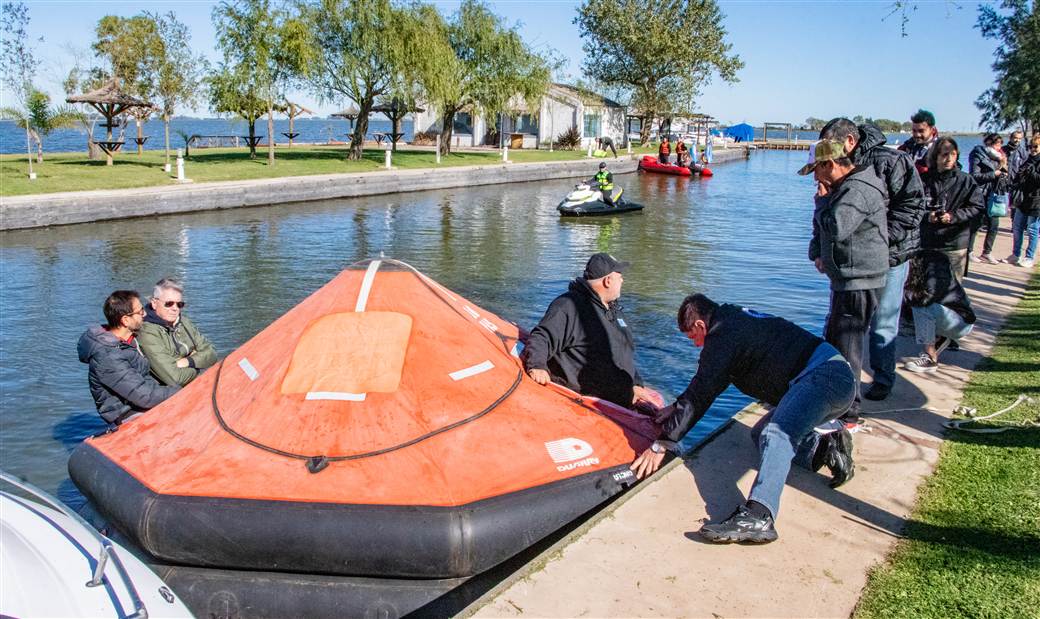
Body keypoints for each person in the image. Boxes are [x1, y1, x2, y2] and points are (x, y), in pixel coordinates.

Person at [630, 294, 856, 544]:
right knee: (760, 435)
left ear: (700, 326)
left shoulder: (723, 336)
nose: (695, 345)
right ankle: (826, 448)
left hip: (826, 379)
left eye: (692, 337)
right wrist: (675, 406)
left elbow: (701, 395)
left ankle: (759, 516)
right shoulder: (732, 322)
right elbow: (706, 383)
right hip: (830, 379)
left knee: (777, 434)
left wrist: (663, 442)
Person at [818, 118, 924, 403]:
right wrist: (819, 251)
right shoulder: (836, 168)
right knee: (840, 325)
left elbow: (914, 204)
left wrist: (883, 239)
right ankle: (829, 383)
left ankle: (881, 378)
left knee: (883, 322)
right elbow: (829, 215)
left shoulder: (891, 160)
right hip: (853, 261)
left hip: (889, 254)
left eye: (830, 142)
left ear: (849, 141)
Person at [801, 139, 889, 423]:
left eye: (817, 169)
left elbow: (837, 226)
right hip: (848, 278)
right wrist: (818, 252)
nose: (815, 177)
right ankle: (835, 402)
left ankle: (848, 414)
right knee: (836, 341)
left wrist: (823, 202)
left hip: (859, 280)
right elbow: (826, 229)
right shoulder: (844, 189)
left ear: (830, 164)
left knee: (847, 347)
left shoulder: (856, 191)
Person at [524, 253, 658, 411]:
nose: (622, 280)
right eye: (619, 275)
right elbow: (542, 337)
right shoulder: (570, 306)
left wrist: (636, 384)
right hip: (581, 405)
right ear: (608, 281)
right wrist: (537, 365)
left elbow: (624, 355)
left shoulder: (615, 311)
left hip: (621, 405)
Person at [78, 290, 180, 426]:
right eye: (140, 311)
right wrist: (181, 391)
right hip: (127, 413)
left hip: (141, 402)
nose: (144, 314)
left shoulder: (129, 340)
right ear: (126, 320)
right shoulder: (108, 357)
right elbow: (145, 397)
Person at [920, 137, 985, 283]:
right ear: (935, 156)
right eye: (944, 154)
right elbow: (911, 207)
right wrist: (927, 216)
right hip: (928, 242)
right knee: (925, 290)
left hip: (954, 243)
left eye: (953, 154)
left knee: (953, 291)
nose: (949, 159)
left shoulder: (965, 180)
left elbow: (977, 207)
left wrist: (954, 216)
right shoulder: (923, 180)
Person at [902, 250, 976, 374]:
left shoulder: (934, 266)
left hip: (960, 323)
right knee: (916, 305)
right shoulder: (929, 263)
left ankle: (930, 357)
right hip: (952, 317)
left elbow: (929, 297)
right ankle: (939, 337)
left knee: (921, 307)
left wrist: (904, 296)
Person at [138, 277, 218, 387]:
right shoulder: (147, 332)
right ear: (154, 303)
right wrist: (199, 367)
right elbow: (174, 378)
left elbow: (212, 353)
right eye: (169, 303)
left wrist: (186, 361)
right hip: (170, 394)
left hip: (193, 384)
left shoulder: (184, 322)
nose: (175, 308)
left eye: (179, 304)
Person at [966, 133, 1010, 265]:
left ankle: (987, 252)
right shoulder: (978, 154)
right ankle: (969, 251)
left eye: (1001, 143)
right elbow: (974, 175)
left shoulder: (1000, 157)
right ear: (989, 143)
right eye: (997, 143)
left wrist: (1003, 173)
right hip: (980, 194)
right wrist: (993, 174)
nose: (999, 146)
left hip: (993, 195)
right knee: (976, 224)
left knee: (994, 224)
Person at [1008, 134, 1040, 268]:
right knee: (1017, 227)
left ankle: (1029, 256)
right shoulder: (1028, 159)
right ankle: (1016, 254)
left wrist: (1030, 172)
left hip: (1036, 200)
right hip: (1022, 199)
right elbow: (1019, 176)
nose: (1032, 149)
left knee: (1032, 229)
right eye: (1030, 146)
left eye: (1036, 147)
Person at [898, 109, 938, 174]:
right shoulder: (906, 147)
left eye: (921, 131)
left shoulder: (940, 149)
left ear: (932, 130)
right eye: (914, 131)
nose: (917, 135)